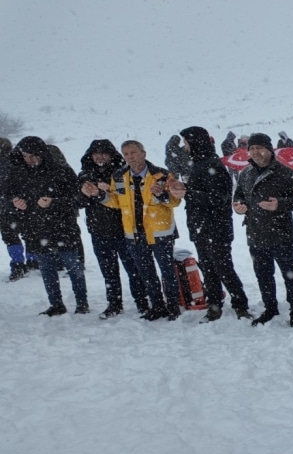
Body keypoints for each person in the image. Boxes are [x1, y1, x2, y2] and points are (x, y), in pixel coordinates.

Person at [92, 140, 183, 320]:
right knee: (146, 273)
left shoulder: (161, 175)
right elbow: (117, 202)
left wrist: (162, 194)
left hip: (160, 233)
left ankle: (173, 306)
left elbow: (175, 201)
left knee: (167, 271)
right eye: (126, 154)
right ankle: (157, 306)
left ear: (143, 153)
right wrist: (101, 195)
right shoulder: (119, 176)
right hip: (133, 233)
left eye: (133, 152)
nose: (130, 157)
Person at [8, 137, 90, 316]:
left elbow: (79, 199)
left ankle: (82, 304)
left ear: (42, 153)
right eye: (25, 156)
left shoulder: (61, 171)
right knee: (47, 270)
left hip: (63, 228)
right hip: (35, 230)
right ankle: (56, 304)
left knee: (74, 268)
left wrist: (54, 202)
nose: (29, 160)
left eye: (32, 155)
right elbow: (8, 196)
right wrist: (15, 202)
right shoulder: (18, 173)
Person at [177, 126, 252, 322]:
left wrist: (189, 193)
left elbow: (219, 198)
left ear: (195, 142)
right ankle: (214, 305)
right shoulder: (199, 163)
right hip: (201, 227)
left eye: (186, 142)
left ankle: (240, 304)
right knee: (209, 269)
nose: (184, 146)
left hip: (215, 228)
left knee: (223, 268)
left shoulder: (212, 165)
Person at [232, 132, 293, 327]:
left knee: (291, 276)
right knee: (263, 275)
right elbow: (238, 196)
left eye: (259, 148)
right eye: (252, 148)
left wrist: (279, 204)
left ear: (269, 150)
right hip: (255, 234)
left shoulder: (287, 173)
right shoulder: (245, 173)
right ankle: (270, 308)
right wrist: (238, 206)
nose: (255, 152)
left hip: (282, 234)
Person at [77, 140, 148, 318]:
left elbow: (131, 199)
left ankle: (142, 302)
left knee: (133, 269)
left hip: (123, 229)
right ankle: (114, 303)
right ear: (90, 155)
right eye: (95, 153)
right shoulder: (85, 175)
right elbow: (77, 203)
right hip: (98, 230)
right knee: (108, 271)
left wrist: (110, 192)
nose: (99, 156)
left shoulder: (122, 172)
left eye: (104, 153)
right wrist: (85, 194)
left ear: (111, 154)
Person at [0, 136, 32, 281]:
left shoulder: (13, 163)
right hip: (21, 205)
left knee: (10, 237)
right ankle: (33, 260)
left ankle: (18, 264)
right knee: (29, 234)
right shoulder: (18, 162)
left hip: (5, 207)